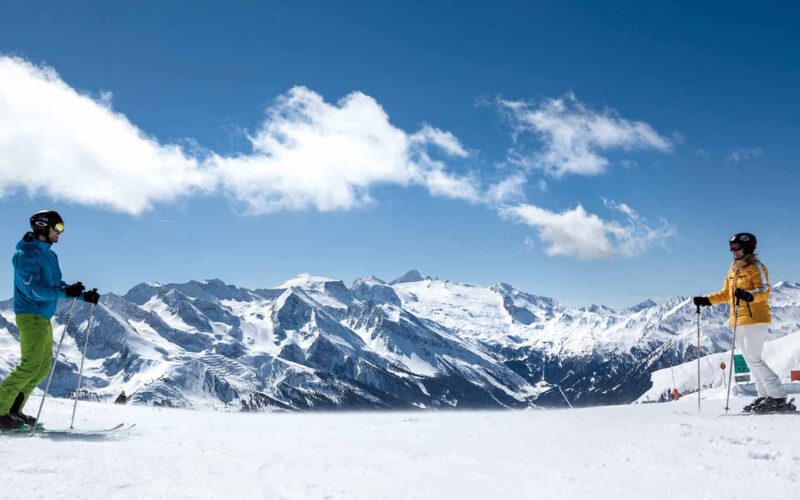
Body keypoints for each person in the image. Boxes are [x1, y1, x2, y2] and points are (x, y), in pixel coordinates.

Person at [0, 211, 100, 430]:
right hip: (30, 314)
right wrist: (66, 293)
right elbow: (35, 290)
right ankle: (0, 411)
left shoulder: (50, 255)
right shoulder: (25, 255)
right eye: (58, 227)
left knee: (42, 367)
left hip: (44, 317)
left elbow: (56, 285)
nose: (60, 233)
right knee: (30, 365)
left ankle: (13, 411)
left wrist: (81, 295)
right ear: (43, 227)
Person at [693, 233, 795, 414]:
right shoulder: (733, 269)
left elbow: (764, 289)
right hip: (738, 320)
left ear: (747, 248)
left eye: (737, 248)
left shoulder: (757, 267)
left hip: (755, 319)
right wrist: (706, 300)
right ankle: (765, 395)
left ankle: (778, 396)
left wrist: (749, 296)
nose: (733, 251)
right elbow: (726, 294)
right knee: (751, 360)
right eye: (731, 248)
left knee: (754, 359)